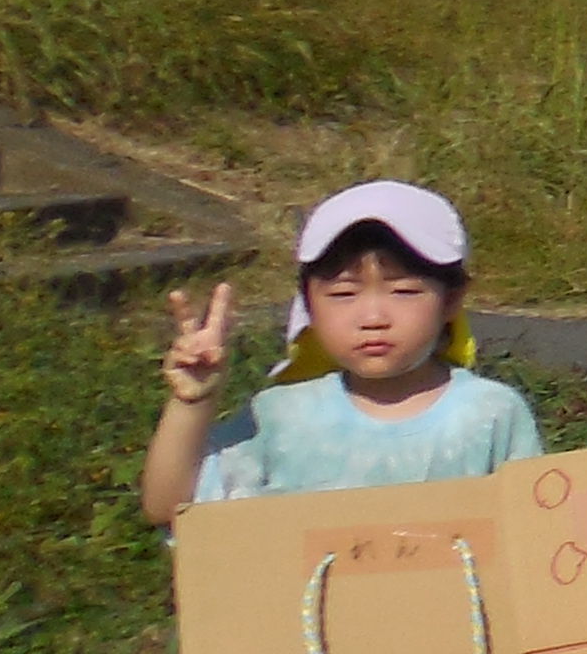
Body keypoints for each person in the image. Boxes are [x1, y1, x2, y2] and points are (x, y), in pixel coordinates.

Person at [140, 180, 542, 525]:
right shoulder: (280, 416)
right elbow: (169, 507)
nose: (372, 317)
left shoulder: (490, 413)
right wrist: (192, 401)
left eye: (403, 291)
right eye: (343, 294)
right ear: (308, 305)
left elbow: (536, 531)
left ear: (452, 299)